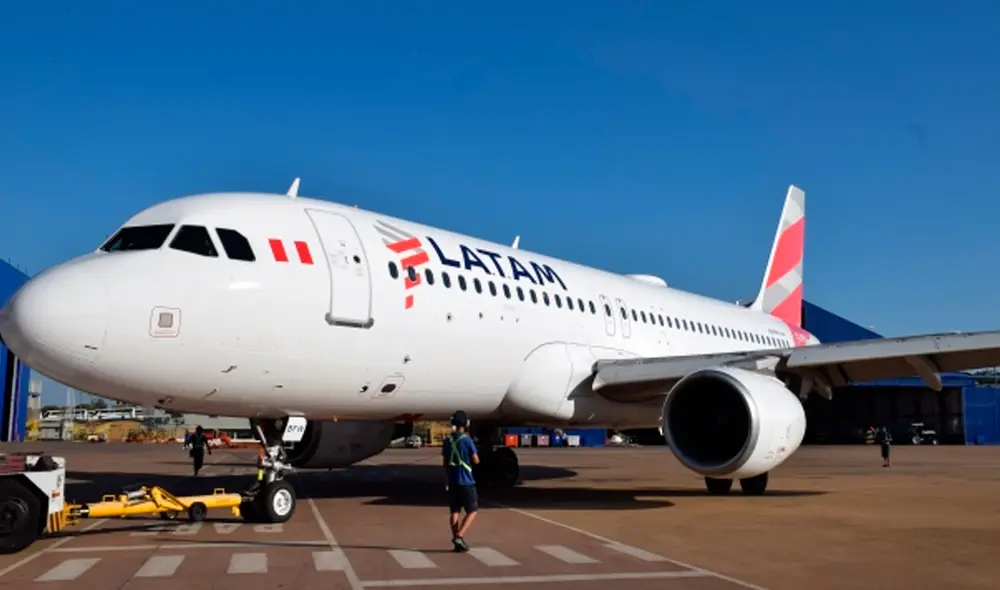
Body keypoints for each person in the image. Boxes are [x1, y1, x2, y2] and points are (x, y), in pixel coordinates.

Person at [442, 411, 480, 552]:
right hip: (466, 481)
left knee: (455, 511)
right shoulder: (467, 440)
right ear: (466, 424)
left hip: (452, 481)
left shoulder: (447, 441)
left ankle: (457, 542)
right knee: (472, 510)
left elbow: (445, 463)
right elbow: (476, 459)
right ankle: (459, 535)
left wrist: (446, 479)